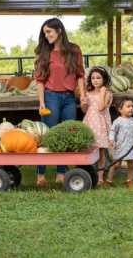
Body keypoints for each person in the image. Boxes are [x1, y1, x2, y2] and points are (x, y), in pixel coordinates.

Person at [34, 17, 86, 186]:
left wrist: (83, 96)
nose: (46, 35)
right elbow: (40, 80)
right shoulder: (45, 53)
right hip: (51, 96)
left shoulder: (74, 50)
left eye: (49, 31)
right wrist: (42, 102)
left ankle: (61, 173)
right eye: (45, 33)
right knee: (47, 134)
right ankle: (40, 175)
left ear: (59, 31)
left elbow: (80, 75)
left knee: (66, 133)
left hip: (69, 97)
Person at [81, 66, 113, 186]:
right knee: (89, 150)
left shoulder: (107, 93)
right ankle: (88, 174)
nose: (95, 80)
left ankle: (100, 178)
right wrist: (83, 102)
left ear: (104, 80)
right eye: (93, 78)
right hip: (90, 123)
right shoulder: (88, 94)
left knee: (101, 152)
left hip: (101, 125)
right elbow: (85, 110)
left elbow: (101, 107)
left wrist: (103, 92)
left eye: (98, 78)